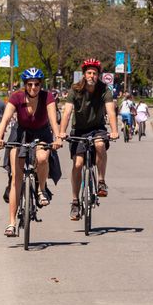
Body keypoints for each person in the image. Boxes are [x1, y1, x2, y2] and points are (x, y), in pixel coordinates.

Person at [0, 67, 63, 237]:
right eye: (30, 84)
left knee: (42, 157)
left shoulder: (47, 97)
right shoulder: (16, 97)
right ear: (25, 85)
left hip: (42, 133)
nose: (33, 87)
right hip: (21, 133)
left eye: (36, 84)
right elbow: (5, 119)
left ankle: (41, 190)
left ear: (41, 84)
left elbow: (53, 120)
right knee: (16, 178)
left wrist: (58, 138)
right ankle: (11, 223)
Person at [59, 59, 118, 220]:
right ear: (84, 74)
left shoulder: (104, 89)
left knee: (100, 145)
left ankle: (101, 181)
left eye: (95, 73)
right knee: (78, 164)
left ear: (99, 75)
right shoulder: (75, 89)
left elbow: (111, 111)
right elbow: (67, 112)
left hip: (97, 128)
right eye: (89, 73)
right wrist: (61, 132)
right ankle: (75, 201)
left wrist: (114, 131)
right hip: (79, 130)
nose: (92, 76)